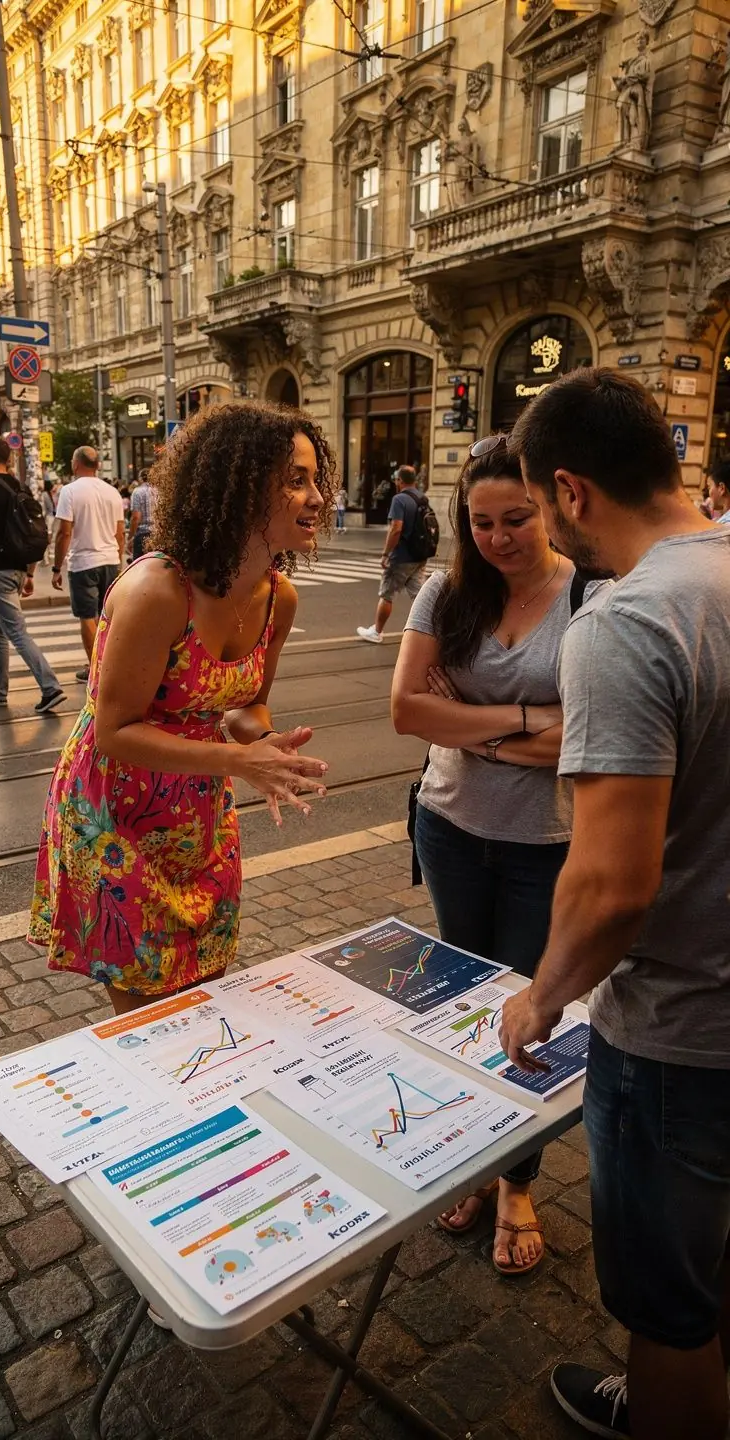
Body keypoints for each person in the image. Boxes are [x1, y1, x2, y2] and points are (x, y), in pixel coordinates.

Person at [497, 369, 730, 1440]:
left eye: (542, 505)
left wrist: (542, 997)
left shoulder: (631, 621)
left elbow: (610, 884)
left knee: (668, 1310)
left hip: (681, 1035)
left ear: (572, 492)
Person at [28, 401, 333, 1016]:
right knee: (146, 1005)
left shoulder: (281, 597)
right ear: (240, 490)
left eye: (315, 478)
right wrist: (239, 759)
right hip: (115, 808)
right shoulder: (158, 591)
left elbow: (249, 706)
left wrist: (265, 747)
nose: (318, 497)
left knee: (201, 983)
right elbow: (114, 731)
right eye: (295, 481)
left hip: (197, 810)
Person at [391, 434, 598, 1275]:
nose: (498, 538)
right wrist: (524, 723)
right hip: (449, 828)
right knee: (460, 1008)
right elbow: (407, 710)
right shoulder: (446, 591)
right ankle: (469, 1154)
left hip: (544, 845)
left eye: (515, 518)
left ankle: (517, 1178)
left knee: (528, 1018)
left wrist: (474, 728)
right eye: (480, 523)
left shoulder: (591, 593)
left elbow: (588, 736)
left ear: (549, 506)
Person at [0, 436, 66, 713]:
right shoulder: (20, 487)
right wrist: (31, 573)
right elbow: (32, 530)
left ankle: (50, 687)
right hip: (20, 567)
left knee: (16, 632)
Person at [52, 446, 124, 683]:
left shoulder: (69, 491)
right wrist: (119, 561)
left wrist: (56, 567)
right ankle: (110, 665)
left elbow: (64, 532)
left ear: (76, 464)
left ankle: (97, 670)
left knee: (87, 617)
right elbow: (120, 533)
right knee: (107, 618)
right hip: (110, 561)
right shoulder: (112, 491)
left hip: (83, 562)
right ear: (96, 466)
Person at [357, 466, 428, 644]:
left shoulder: (399, 499)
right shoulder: (422, 497)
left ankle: (376, 631)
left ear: (400, 481)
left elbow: (396, 528)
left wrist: (386, 554)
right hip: (419, 555)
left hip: (402, 556)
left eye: (396, 479)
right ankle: (432, 631)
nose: (395, 482)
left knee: (386, 594)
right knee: (420, 596)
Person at [128, 469, 155, 561]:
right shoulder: (159, 491)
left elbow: (136, 517)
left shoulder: (137, 492)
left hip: (142, 535)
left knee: (139, 567)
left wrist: (131, 536)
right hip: (157, 534)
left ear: (140, 479)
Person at [40, 479, 56, 565]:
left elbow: (44, 510)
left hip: (48, 519)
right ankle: (50, 554)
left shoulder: (44, 494)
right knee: (50, 536)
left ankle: (46, 558)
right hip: (52, 517)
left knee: (46, 537)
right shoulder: (49, 494)